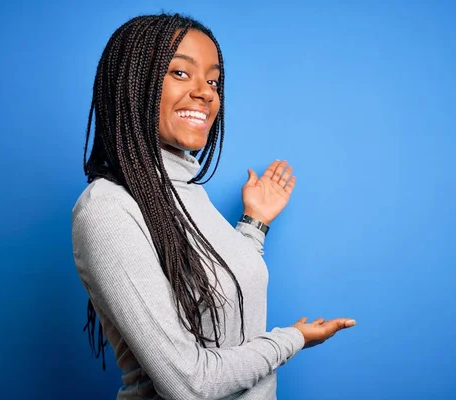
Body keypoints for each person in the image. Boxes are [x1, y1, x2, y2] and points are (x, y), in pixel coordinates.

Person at [71, 13, 355, 400]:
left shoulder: (185, 188)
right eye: (180, 73)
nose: (206, 92)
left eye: (213, 80)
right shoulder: (106, 210)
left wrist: (254, 223)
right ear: (132, 84)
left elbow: (213, 296)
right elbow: (189, 384)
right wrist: (293, 339)